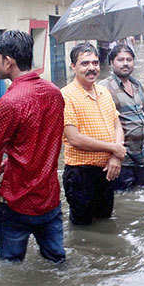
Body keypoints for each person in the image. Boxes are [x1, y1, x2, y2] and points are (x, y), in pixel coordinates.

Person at [0, 30, 66, 263]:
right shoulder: (55, 94)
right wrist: (9, 163)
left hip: (16, 203)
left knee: (10, 268)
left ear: (9, 61)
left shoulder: (9, 101)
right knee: (57, 264)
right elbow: (42, 144)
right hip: (50, 200)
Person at [61, 42, 126, 225]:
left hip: (107, 170)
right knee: (83, 230)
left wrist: (115, 155)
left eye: (95, 63)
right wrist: (113, 147)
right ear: (73, 66)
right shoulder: (66, 96)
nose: (92, 68)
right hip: (81, 174)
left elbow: (117, 125)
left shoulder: (104, 92)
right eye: (85, 63)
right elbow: (74, 138)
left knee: (106, 222)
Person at [101, 44, 144, 191]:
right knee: (124, 204)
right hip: (121, 161)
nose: (125, 63)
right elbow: (103, 127)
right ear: (111, 62)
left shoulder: (137, 85)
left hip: (141, 158)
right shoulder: (104, 88)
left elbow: (143, 122)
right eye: (120, 59)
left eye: (129, 59)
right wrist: (114, 155)